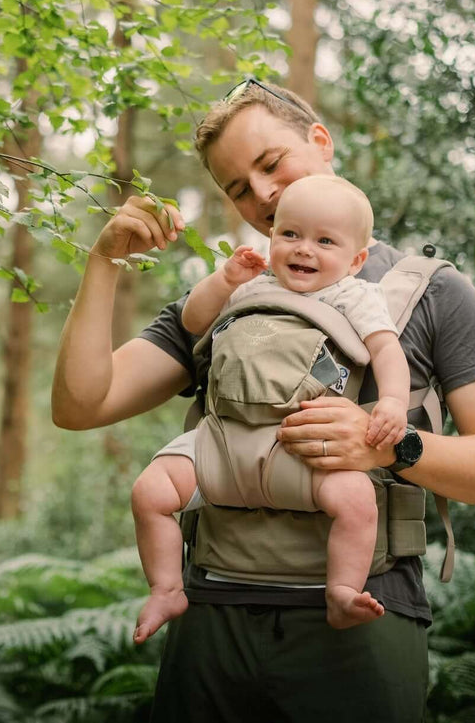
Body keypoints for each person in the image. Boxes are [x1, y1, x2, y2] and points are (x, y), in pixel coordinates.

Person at [52, 79, 475, 722]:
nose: (263, 193)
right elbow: (82, 405)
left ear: (321, 141)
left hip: (362, 618)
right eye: (238, 188)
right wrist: (104, 262)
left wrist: (388, 443)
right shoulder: (230, 297)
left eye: (271, 164)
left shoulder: (429, 293)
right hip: (213, 614)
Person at [131, 174, 410, 642]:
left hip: (299, 445)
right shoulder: (252, 288)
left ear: (355, 260)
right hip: (221, 440)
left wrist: (394, 403)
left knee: (358, 501)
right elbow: (194, 322)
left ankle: (341, 591)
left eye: (325, 241)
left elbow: (386, 351)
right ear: (272, 236)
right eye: (290, 234)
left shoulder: (352, 295)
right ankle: (166, 587)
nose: (304, 249)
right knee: (149, 493)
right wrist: (225, 279)